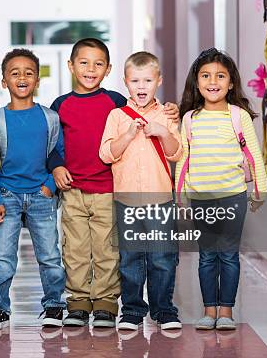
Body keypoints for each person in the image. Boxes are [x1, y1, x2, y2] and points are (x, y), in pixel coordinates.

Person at [50, 38, 180, 327]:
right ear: (71, 66)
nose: (90, 69)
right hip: (77, 190)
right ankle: (81, 301)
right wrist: (56, 167)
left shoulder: (117, 102)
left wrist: (172, 110)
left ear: (107, 70)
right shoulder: (62, 105)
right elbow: (52, 146)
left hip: (112, 190)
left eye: (98, 64)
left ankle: (110, 303)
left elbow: (150, 113)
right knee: (77, 249)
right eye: (83, 62)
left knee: (113, 250)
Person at [174, 48, 267, 330]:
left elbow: (254, 154)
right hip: (201, 197)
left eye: (220, 76)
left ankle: (225, 312)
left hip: (232, 196)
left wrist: (259, 190)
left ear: (230, 83)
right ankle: (209, 311)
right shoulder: (190, 118)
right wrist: (180, 194)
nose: (212, 81)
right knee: (206, 256)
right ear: (196, 81)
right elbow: (184, 158)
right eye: (205, 75)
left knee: (227, 254)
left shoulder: (238, 116)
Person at [0, 48, 67, 329]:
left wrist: (50, 186)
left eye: (29, 73)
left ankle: (54, 305)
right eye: (14, 73)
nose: (22, 77)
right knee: (3, 257)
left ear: (37, 80)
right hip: (7, 195)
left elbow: (59, 154)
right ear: (4, 81)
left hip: (41, 196)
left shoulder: (50, 118)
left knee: (50, 256)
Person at [99, 51, 183, 331]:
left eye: (148, 80)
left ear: (159, 80)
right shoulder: (116, 116)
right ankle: (132, 310)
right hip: (127, 199)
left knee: (162, 257)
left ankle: (163, 309)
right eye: (135, 81)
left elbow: (176, 153)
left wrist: (163, 131)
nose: (142, 86)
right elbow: (106, 154)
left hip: (160, 198)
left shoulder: (167, 115)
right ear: (126, 82)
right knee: (131, 257)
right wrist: (127, 135)